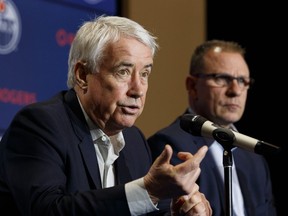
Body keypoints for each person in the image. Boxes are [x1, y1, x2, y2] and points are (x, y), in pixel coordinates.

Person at [0, 16, 212, 216]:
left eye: (145, 74)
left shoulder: (133, 140)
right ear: (82, 75)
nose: (138, 89)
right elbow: (48, 210)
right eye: (123, 72)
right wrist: (146, 191)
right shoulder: (40, 125)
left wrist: (181, 212)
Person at [148, 40, 277, 216]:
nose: (235, 91)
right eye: (222, 78)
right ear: (192, 86)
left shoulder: (253, 157)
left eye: (242, 80)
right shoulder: (169, 145)